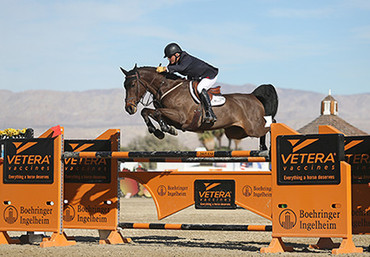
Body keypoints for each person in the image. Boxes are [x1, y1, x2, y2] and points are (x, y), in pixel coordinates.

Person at [156, 43, 218, 123]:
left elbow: (181, 68)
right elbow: (171, 70)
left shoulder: (186, 58)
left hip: (209, 75)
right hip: (196, 77)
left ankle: (210, 113)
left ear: (177, 54)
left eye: (169, 57)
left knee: (200, 88)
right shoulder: (175, 61)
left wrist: (165, 68)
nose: (168, 59)